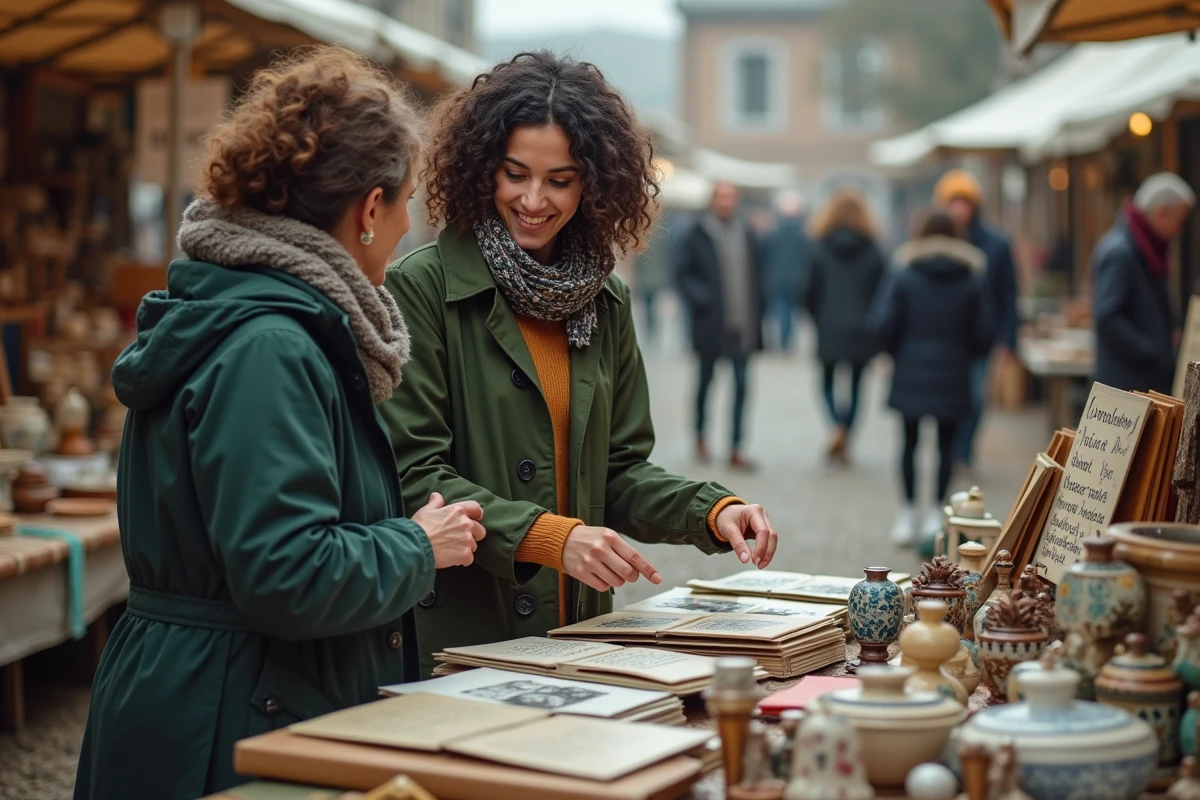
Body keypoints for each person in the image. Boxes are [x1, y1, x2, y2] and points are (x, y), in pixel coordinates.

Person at [73, 49, 487, 800]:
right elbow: (286, 574)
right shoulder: (273, 344)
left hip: (213, 694)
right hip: (230, 720)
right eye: (405, 206)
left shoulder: (253, 313)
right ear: (368, 209)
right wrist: (417, 545)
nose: (406, 230)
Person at [378, 52, 779, 676]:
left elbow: (616, 473)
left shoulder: (606, 301)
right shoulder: (422, 288)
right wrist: (551, 538)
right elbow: (411, 475)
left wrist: (712, 510)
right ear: (483, 170)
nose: (534, 200)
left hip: (579, 632)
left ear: (593, 184)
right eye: (515, 174)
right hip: (463, 631)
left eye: (559, 180)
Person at [873, 211, 993, 545]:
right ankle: (935, 514)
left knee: (909, 444)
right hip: (953, 371)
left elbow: (883, 324)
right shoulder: (971, 277)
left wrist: (898, 352)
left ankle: (907, 512)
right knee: (947, 446)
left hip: (910, 368)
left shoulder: (904, 273)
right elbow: (983, 333)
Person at [934, 170, 1018, 472]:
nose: (958, 209)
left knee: (977, 397)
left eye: (963, 202)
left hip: (982, 335)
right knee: (948, 395)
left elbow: (1009, 293)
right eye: (952, 202)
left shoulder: (996, 243)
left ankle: (963, 450)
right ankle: (953, 447)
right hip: (945, 335)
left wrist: (1009, 338)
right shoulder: (935, 243)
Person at [677, 182, 765, 469]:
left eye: (731, 197)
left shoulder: (747, 233)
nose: (726, 202)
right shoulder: (698, 233)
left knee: (741, 386)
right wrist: (703, 300)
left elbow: (757, 276)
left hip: (743, 325)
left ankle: (737, 446)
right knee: (705, 383)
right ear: (713, 200)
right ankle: (700, 436)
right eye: (721, 197)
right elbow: (683, 273)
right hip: (710, 325)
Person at [803, 189, 886, 464]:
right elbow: (883, 292)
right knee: (857, 387)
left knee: (826, 383)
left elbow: (808, 290)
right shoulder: (874, 250)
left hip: (829, 326)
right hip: (863, 329)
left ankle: (837, 426)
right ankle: (846, 433)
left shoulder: (820, 247)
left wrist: (818, 317)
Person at [1093, 172, 1196, 394]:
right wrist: (1154, 350)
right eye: (1178, 221)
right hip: (1126, 386)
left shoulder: (1145, 247)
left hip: (1138, 381)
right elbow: (1108, 317)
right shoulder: (1121, 252)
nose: (1179, 230)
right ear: (1161, 212)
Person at [761, 189, 809, 351]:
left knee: (781, 311)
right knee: (791, 312)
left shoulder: (772, 233)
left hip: (776, 278)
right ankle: (787, 339)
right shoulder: (803, 235)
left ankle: (784, 338)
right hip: (796, 279)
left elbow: (765, 256)